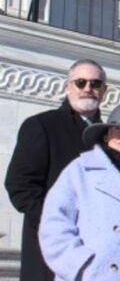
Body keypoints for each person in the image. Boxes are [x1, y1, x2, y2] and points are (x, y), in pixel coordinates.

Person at [5, 59, 108, 281]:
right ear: (67, 86)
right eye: (80, 82)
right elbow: (20, 185)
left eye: (95, 84)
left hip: (97, 255)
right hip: (51, 253)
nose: (88, 89)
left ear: (104, 90)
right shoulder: (42, 126)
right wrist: (55, 225)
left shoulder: (109, 138)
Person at [38, 103, 120, 280]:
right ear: (107, 136)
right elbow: (53, 225)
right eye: (117, 128)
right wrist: (81, 265)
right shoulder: (81, 170)